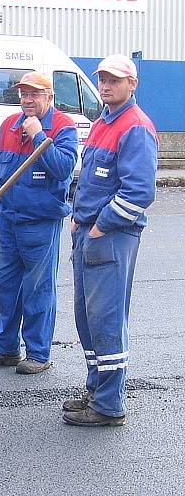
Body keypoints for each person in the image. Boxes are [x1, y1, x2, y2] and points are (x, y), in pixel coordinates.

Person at [62, 54, 158, 427]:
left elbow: (138, 191)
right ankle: (96, 389)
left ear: (132, 84)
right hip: (88, 232)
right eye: (102, 79)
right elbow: (91, 178)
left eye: (115, 80)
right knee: (87, 318)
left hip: (112, 237)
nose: (106, 86)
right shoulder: (104, 120)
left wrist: (101, 225)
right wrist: (78, 217)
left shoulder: (135, 126)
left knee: (106, 318)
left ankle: (109, 405)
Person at [0, 72, 78, 374]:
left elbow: (62, 169)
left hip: (41, 223)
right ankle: (5, 348)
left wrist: (37, 135)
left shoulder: (63, 127)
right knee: (6, 286)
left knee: (38, 289)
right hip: (8, 221)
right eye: (23, 94)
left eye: (34, 94)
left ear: (49, 97)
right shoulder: (8, 125)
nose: (27, 100)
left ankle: (38, 353)